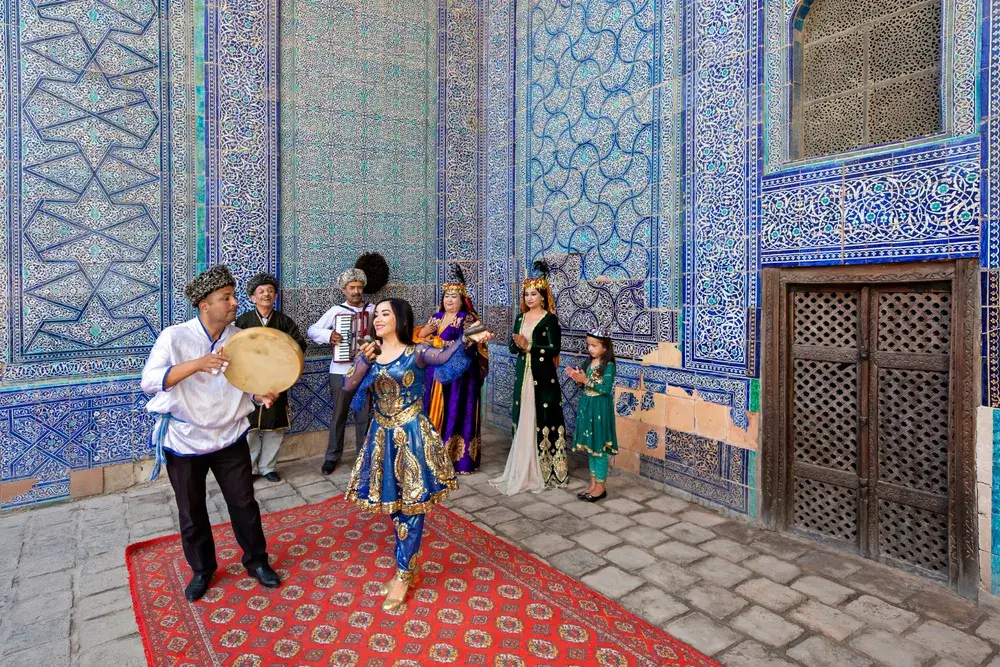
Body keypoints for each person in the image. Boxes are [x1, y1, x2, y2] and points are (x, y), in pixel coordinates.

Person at [140, 265, 281, 601]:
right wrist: (197, 364)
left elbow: (244, 381)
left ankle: (257, 561)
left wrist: (259, 394)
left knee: (244, 503)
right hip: (185, 441)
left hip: (230, 437)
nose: (234, 303)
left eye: (232, 296)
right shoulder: (175, 337)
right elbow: (149, 382)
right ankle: (202, 570)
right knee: (192, 511)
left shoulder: (239, 337)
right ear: (205, 304)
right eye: (226, 298)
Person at [344, 298, 493, 611]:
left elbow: (445, 355)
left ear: (399, 318)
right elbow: (349, 386)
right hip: (381, 436)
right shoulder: (371, 352)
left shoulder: (417, 352)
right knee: (395, 504)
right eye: (376, 315)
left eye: (385, 314)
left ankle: (403, 573)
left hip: (412, 437)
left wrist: (467, 337)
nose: (378, 319)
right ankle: (405, 561)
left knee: (413, 507)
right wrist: (364, 362)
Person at [491, 260, 568, 495]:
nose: (529, 298)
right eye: (526, 294)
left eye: (533, 294)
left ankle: (543, 470)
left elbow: (554, 349)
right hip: (523, 375)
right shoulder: (520, 318)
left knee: (541, 416)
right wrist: (517, 345)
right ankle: (522, 465)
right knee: (523, 414)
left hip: (542, 377)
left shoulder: (549, 320)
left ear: (543, 296)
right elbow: (513, 347)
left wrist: (530, 346)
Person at [235, 272, 308, 482]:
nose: (266, 294)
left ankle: (268, 467)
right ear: (252, 298)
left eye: (270, 291)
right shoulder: (243, 321)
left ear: (275, 296)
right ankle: (250, 469)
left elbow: (299, 345)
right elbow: (234, 350)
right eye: (261, 291)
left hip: (277, 381)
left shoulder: (284, 321)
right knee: (250, 428)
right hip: (250, 381)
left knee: (274, 427)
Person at [414, 265, 488, 474]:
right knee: (435, 410)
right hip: (436, 374)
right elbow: (420, 343)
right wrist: (423, 335)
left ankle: (457, 459)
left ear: (462, 299)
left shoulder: (468, 319)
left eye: (454, 297)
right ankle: (433, 455)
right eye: (446, 296)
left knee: (457, 411)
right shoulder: (436, 318)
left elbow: (476, 343)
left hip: (460, 376)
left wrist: (443, 344)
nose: (449, 300)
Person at [307, 268, 375, 475]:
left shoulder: (373, 309)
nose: (356, 291)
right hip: (340, 370)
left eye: (359, 287)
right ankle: (332, 457)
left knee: (364, 414)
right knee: (339, 415)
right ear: (343, 290)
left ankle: (363, 457)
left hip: (366, 370)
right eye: (351, 287)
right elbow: (312, 330)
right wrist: (330, 335)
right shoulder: (336, 311)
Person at [566, 329, 618, 502]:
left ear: (605, 347)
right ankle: (593, 483)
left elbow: (605, 389)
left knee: (599, 448)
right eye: (589, 345)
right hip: (587, 406)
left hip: (600, 409)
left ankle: (601, 487)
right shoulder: (588, 363)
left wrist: (585, 380)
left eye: (594, 345)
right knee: (591, 448)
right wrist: (576, 377)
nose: (590, 348)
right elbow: (584, 387)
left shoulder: (608, 365)